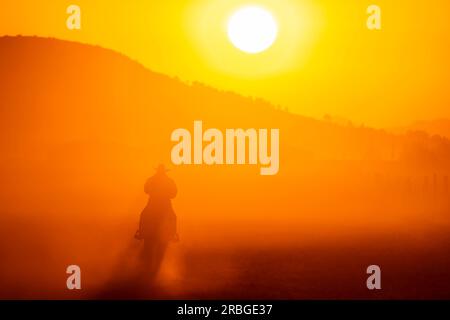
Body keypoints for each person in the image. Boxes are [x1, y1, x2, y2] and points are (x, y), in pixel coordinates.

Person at [136, 164, 178, 276]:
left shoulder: (151, 179)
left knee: (144, 214)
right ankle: (173, 233)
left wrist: (153, 192)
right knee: (173, 217)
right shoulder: (169, 180)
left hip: (153, 203)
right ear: (165, 171)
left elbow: (145, 190)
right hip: (165, 203)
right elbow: (174, 193)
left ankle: (141, 232)